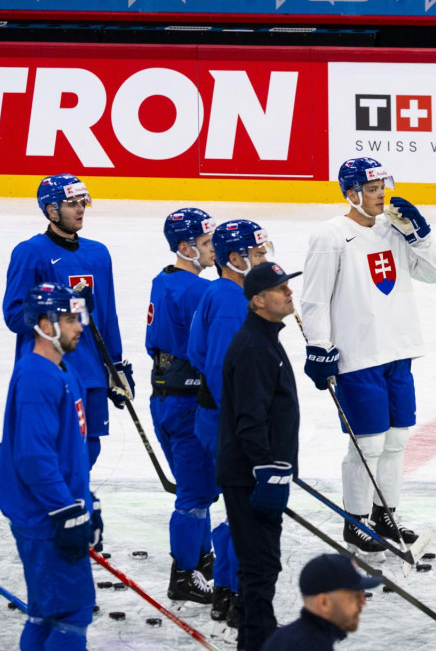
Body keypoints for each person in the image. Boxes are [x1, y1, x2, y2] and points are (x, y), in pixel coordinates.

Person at [299, 157, 436, 554]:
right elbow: (314, 299)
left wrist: (420, 235)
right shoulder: (330, 235)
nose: (381, 193)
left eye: (383, 184)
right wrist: (319, 346)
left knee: (397, 439)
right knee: (368, 444)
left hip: (399, 350)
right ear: (351, 193)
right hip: (357, 355)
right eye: (371, 187)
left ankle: (385, 514)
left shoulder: (394, 228)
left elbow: (435, 274)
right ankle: (356, 521)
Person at [0, 283, 102, 651]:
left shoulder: (62, 371)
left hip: (56, 512)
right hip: (46, 519)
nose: (80, 326)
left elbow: (65, 453)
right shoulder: (38, 377)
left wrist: (85, 501)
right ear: (44, 324)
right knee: (71, 615)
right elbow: (34, 456)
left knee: (46, 613)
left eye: (80, 317)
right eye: (71, 318)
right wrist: (65, 508)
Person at [2, 174, 131, 469]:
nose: (80, 209)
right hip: (52, 370)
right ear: (51, 210)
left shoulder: (98, 253)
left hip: (93, 372)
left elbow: (108, 315)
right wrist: (61, 307)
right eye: (71, 203)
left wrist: (116, 365)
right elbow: (14, 316)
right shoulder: (30, 253)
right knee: (56, 450)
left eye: (82, 202)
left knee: (90, 448)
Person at [187, 218, 270, 624]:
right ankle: (236, 595)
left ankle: (226, 590)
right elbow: (221, 369)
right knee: (248, 512)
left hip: (222, 420)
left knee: (241, 509)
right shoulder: (228, 301)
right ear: (235, 258)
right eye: (257, 254)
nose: (264, 259)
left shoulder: (226, 292)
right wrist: (245, 426)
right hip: (229, 425)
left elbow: (198, 353)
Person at [216, 262, 301, 651]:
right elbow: (250, 420)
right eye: (279, 288)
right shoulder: (253, 347)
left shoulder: (266, 339)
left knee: (262, 566)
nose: (288, 292)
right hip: (251, 478)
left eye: (287, 286)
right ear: (257, 301)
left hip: (264, 475)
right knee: (259, 568)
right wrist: (267, 471)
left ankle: (257, 641)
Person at [145, 208, 218, 605]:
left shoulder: (164, 281)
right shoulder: (198, 291)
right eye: (206, 244)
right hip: (188, 404)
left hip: (166, 398)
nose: (213, 250)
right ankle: (184, 575)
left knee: (199, 489)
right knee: (193, 494)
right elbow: (209, 352)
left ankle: (201, 557)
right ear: (186, 247)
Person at [259, 553, 381, 651]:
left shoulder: (293, 636)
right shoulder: (311, 645)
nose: (363, 603)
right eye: (355, 597)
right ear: (323, 602)